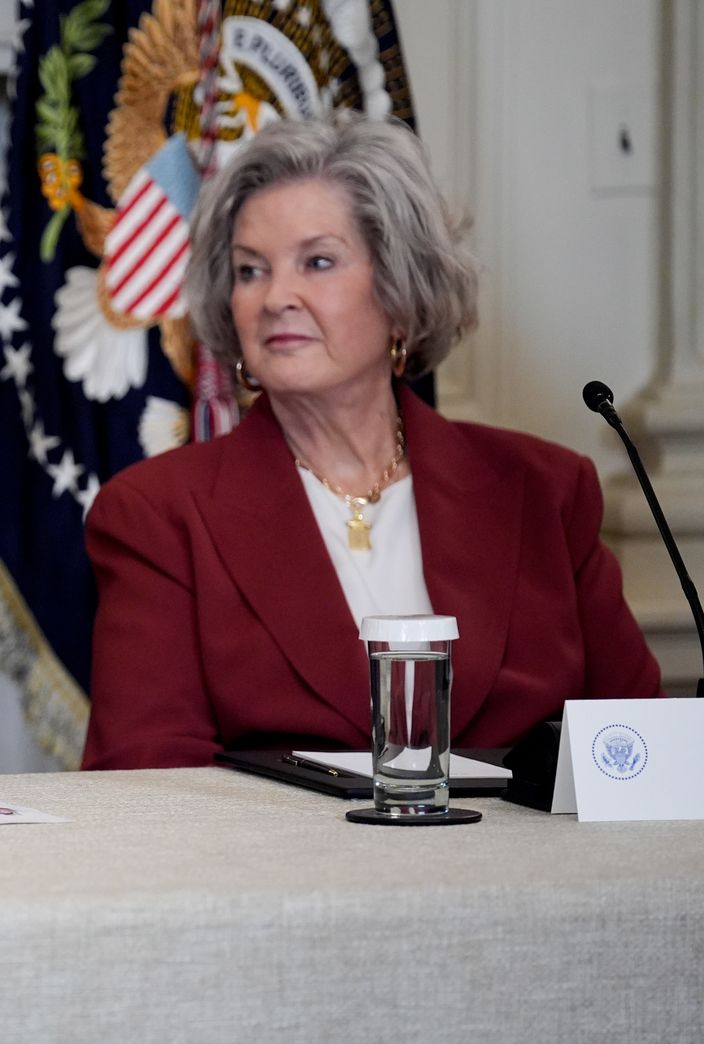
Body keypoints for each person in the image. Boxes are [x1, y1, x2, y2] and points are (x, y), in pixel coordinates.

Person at [81, 115, 660, 770]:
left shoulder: (544, 491)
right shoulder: (158, 515)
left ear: (400, 288)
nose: (276, 298)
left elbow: (641, 753)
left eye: (317, 262)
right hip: (281, 872)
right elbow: (146, 789)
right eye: (250, 271)